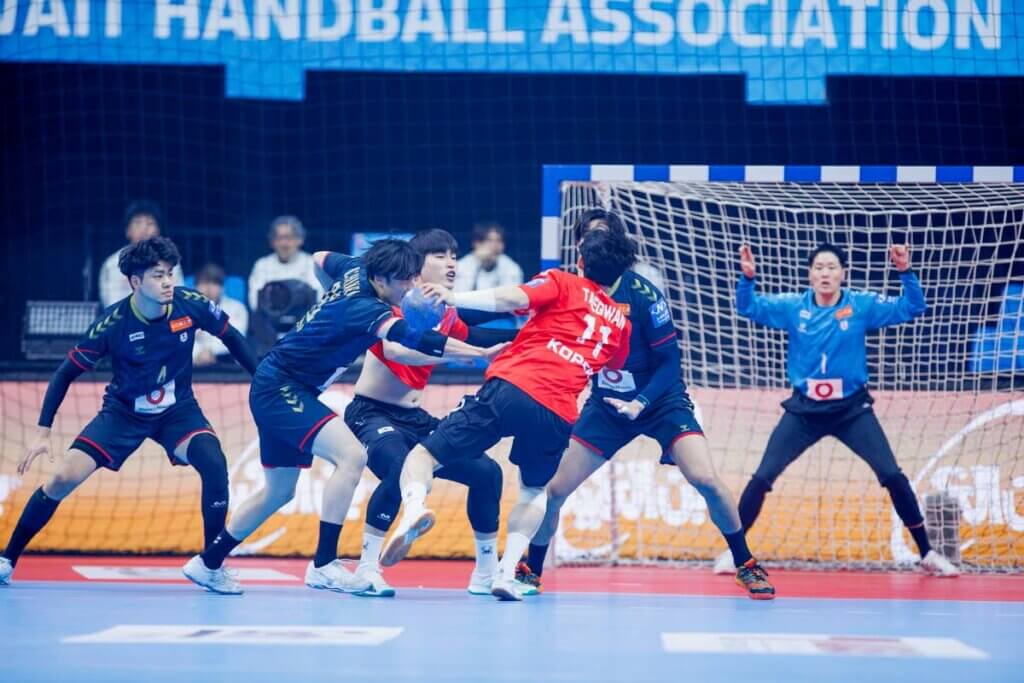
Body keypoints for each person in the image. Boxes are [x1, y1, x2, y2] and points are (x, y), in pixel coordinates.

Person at [181, 239, 506, 595]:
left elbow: (319, 258)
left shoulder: (354, 269)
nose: (412, 287)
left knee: (279, 492)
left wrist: (330, 301)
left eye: (415, 277)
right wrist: (480, 353)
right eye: (405, 281)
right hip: (283, 389)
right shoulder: (366, 309)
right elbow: (414, 340)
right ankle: (324, 564)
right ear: (380, 279)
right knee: (351, 456)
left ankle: (208, 563)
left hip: (282, 385)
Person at [525, 210, 775, 600]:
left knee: (705, 479)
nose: (595, 244)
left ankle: (745, 563)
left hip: (660, 401)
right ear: (579, 249)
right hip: (607, 406)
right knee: (554, 490)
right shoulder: (570, 290)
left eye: (603, 236)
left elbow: (670, 361)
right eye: (588, 238)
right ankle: (530, 570)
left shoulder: (644, 296)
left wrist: (642, 401)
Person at [380, 228, 634, 601]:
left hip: (514, 386)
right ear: (620, 275)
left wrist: (454, 298)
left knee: (423, 456)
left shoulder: (562, 281)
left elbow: (511, 298)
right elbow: (615, 365)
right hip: (559, 410)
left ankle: (415, 508)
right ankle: (506, 573)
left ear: (580, 262)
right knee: (533, 490)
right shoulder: (622, 325)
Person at [1, 237, 258, 585]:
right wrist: (43, 430)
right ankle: (7, 559)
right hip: (122, 413)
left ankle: (210, 566)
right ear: (136, 282)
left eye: (170, 274)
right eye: (157, 276)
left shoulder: (190, 304)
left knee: (213, 462)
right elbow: (65, 373)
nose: (167, 282)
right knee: (61, 478)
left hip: (178, 411)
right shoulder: (113, 323)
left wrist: (261, 380)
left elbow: (232, 336)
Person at [718, 242, 958, 577]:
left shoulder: (861, 305)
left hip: (851, 410)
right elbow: (748, 308)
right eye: (819, 268)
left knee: (892, 474)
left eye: (831, 267)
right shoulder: (794, 307)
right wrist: (747, 279)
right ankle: (736, 553)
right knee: (762, 476)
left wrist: (905, 271)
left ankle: (927, 553)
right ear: (810, 275)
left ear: (843, 273)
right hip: (804, 410)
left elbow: (913, 307)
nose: (825, 273)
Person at [345, 229, 519, 597]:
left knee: (487, 473)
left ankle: (486, 573)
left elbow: (473, 335)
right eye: (440, 256)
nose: (451, 262)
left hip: (414, 418)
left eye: (454, 255)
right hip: (371, 413)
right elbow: (396, 351)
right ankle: (366, 570)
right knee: (399, 467)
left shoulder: (445, 311)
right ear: (417, 266)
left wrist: (527, 336)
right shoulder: (395, 302)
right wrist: (462, 355)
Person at [98, 201, 184, 306]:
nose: (144, 228)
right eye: (137, 223)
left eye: (150, 223)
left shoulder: (169, 260)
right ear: (127, 231)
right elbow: (112, 303)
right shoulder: (113, 263)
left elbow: (178, 298)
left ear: (158, 230)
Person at [247, 215, 323, 311]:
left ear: (300, 240)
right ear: (272, 242)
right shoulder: (262, 265)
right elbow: (255, 302)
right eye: (278, 238)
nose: (283, 243)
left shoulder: (311, 263)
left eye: (288, 237)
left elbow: (318, 299)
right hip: (271, 318)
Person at [192, 263, 249, 367]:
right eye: (203, 283)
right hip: (193, 363)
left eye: (214, 283)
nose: (209, 288)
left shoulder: (237, 308)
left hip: (227, 364)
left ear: (222, 288)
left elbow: (234, 338)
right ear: (195, 286)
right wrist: (198, 352)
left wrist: (210, 351)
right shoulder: (185, 310)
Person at [453, 222, 524, 292]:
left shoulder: (512, 268)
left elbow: (511, 297)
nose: (495, 245)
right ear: (476, 243)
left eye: (499, 240)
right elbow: (459, 296)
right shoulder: (460, 267)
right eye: (489, 240)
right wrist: (478, 264)